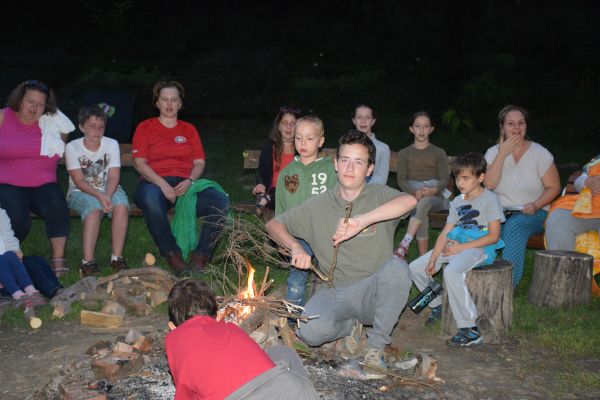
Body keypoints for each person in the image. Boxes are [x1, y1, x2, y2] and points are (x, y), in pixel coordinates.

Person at [267, 129, 417, 379]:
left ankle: (375, 347)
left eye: (359, 162)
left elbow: (410, 201)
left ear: (369, 169)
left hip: (374, 292)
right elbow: (273, 225)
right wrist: (295, 246)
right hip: (336, 289)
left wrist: (362, 220)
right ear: (335, 164)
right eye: (345, 160)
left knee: (398, 270)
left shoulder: (379, 195)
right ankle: (350, 326)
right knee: (309, 332)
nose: (350, 167)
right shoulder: (319, 205)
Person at [132, 81, 230, 275]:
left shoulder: (189, 130)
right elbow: (139, 163)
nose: (169, 104)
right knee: (151, 200)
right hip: (153, 183)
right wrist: (162, 184)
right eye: (164, 100)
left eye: (174, 100)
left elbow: (199, 162)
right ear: (157, 103)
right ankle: (172, 254)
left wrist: (190, 181)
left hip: (186, 185)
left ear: (180, 104)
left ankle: (201, 256)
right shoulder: (145, 127)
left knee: (220, 201)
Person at [165, 279, 319, 400]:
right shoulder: (231, 328)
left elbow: (184, 394)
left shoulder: (174, 340)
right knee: (282, 352)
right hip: (293, 392)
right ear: (219, 316)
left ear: (172, 327)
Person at [409, 153, 505, 343]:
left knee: (452, 272)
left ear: (480, 178)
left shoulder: (490, 200)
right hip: (456, 245)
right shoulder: (457, 201)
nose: (460, 182)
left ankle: (470, 327)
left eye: (466, 178)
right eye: (457, 177)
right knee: (415, 268)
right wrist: (433, 258)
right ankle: (437, 305)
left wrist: (461, 248)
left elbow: (494, 236)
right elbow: (446, 232)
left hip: (480, 249)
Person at [0, 80, 75, 277]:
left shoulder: (50, 122)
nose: (34, 108)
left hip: (43, 183)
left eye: (40, 104)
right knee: (18, 216)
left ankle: (58, 258)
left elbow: (63, 137)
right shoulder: (3, 117)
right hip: (8, 183)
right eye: (30, 102)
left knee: (57, 205)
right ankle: (7, 255)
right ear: (20, 100)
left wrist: (59, 142)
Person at [484, 105, 560, 287]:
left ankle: (508, 283)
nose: (516, 128)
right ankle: (481, 277)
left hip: (535, 212)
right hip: (501, 212)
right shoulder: (493, 153)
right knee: (486, 230)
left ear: (526, 126)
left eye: (521, 123)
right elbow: (489, 184)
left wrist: (535, 204)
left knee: (515, 226)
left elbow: (554, 187)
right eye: (511, 124)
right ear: (502, 127)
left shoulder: (540, 153)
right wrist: (502, 154)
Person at [275, 115, 337, 307]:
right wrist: (282, 238)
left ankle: (321, 311)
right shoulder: (287, 173)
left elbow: (339, 201)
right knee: (296, 279)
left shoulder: (330, 170)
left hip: (326, 234)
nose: (303, 143)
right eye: (299, 138)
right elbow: (281, 208)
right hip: (299, 236)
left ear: (321, 141)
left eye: (310, 138)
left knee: (326, 278)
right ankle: (294, 316)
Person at [65, 105, 130, 277]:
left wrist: (107, 196)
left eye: (101, 126)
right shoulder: (73, 147)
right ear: (81, 127)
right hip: (80, 191)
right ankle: (88, 262)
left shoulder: (111, 144)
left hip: (108, 188)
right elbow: (78, 181)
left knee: (121, 206)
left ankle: (117, 258)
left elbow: (114, 177)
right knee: (94, 209)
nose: (97, 130)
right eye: (92, 126)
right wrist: (100, 197)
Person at [394, 111, 450, 259]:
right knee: (421, 208)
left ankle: (404, 243)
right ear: (411, 129)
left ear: (431, 129)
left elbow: (445, 179)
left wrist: (432, 190)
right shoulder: (404, 154)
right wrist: (414, 192)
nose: (421, 130)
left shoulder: (439, 152)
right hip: (414, 195)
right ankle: (422, 258)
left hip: (436, 196)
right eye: (418, 126)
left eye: (426, 126)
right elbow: (401, 180)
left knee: (424, 202)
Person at [546, 154, 600, 250]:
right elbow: (578, 182)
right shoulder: (597, 160)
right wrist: (587, 181)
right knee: (558, 220)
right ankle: (562, 263)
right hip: (589, 210)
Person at [252, 106, 300, 217]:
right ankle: (268, 198)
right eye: (284, 123)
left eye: (293, 123)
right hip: (274, 193)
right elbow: (261, 175)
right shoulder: (268, 150)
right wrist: (260, 185)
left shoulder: (302, 151)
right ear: (278, 126)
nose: (288, 127)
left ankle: (267, 199)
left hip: (295, 192)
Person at [0, 206, 50, 308]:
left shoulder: (1, 213)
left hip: (5, 261)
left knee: (10, 255)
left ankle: (31, 292)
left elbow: (8, 236)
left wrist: (16, 252)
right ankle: (19, 297)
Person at [352, 104, 390, 185]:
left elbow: (381, 179)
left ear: (373, 121)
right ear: (354, 121)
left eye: (368, 117)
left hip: (372, 191)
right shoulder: (347, 145)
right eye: (359, 117)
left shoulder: (383, 148)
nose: (363, 121)